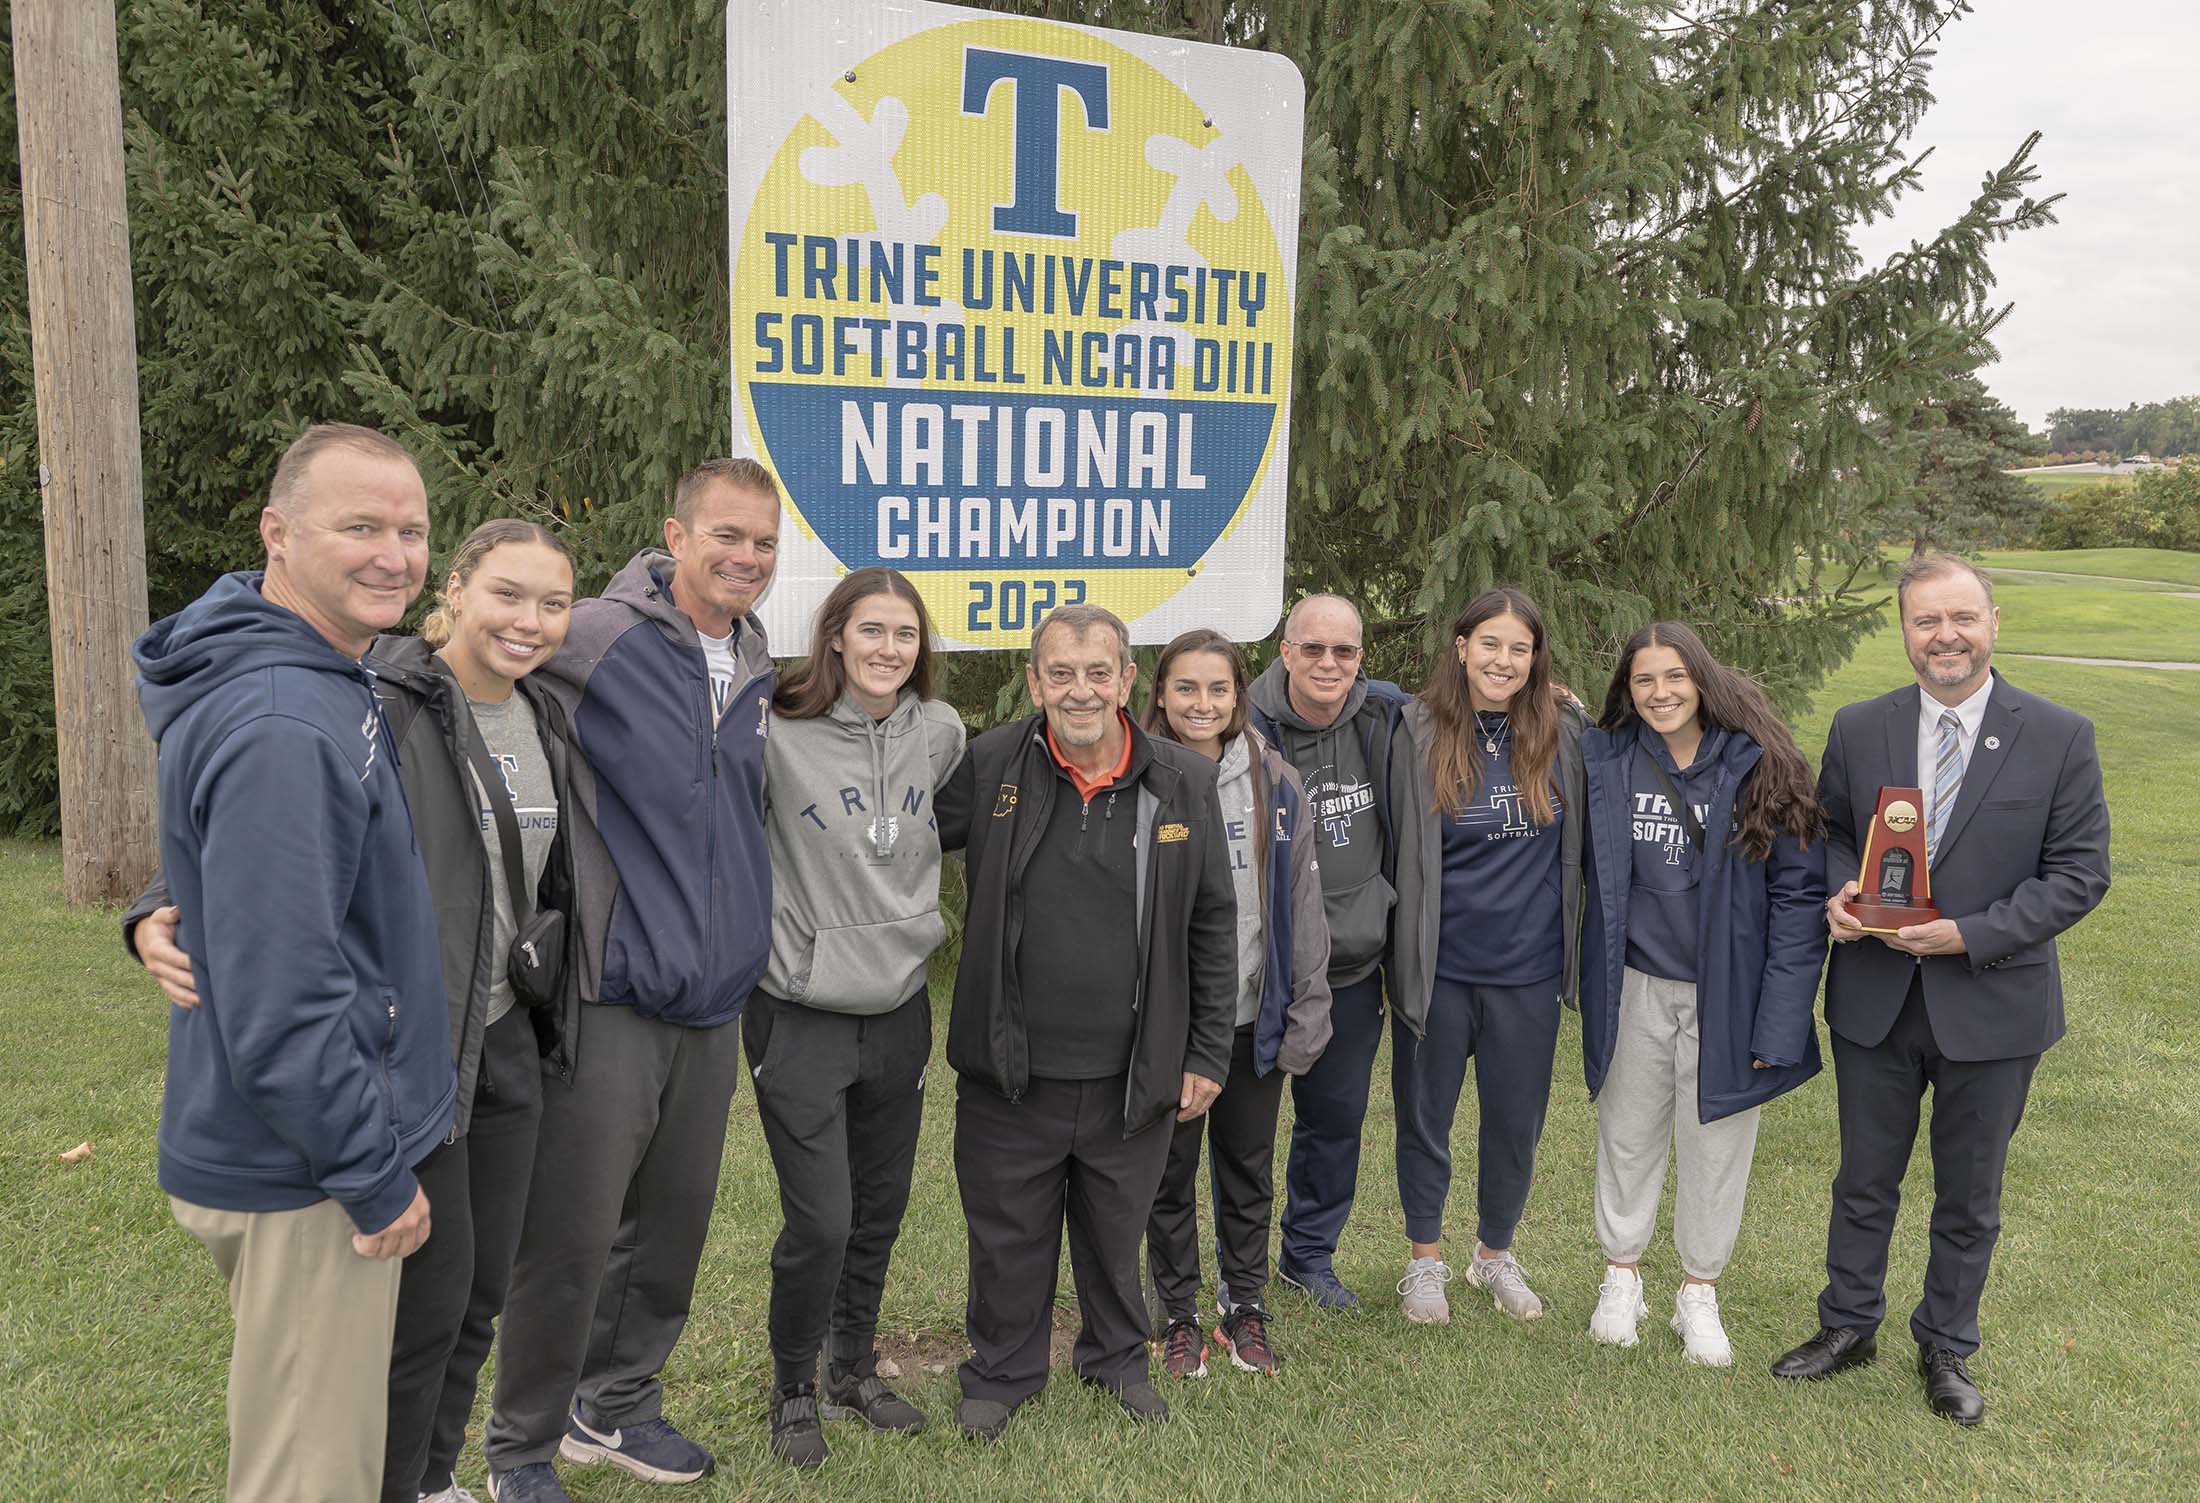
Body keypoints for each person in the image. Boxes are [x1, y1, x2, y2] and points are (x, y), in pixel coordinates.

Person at [129, 519, 582, 1503]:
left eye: (554, 603)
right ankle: (385, 1478)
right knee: (424, 1303)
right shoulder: (378, 694)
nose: (530, 620)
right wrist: (154, 908)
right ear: (454, 590)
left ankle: (432, 1475)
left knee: (477, 1293)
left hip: (508, 1029)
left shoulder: (551, 711)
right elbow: (264, 826)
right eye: (507, 593)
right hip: (417, 1040)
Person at [129, 422, 452, 1502]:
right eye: (359, 525)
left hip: (292, 1145)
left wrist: (166, 902)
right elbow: (283, 1002)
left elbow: (257, 874)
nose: (393, 554)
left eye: (409, 530)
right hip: (307, 1169)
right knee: (306, 1476)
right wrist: (368, 1175)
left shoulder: (313, 668)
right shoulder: (284, 715)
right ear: (278, 531)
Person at [485, 459, 780, 1503]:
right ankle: (520, 1445)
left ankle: (614, 1407)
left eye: (763, 543)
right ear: (675, 534)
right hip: (613, 985)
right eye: (727, 536)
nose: (746, 558)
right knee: (571, 1232)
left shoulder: (751, 654)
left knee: (672, 1225)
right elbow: (455, 678)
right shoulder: (596, 637)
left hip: (712, 996)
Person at [1773, 553, 2110, 1425]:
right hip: (1876, 997)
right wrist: (1841, 891)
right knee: (1864, 1177)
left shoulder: (2060, 734)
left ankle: (1947, 1342)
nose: (1945, 636)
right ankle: (1849, 1324)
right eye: (1926, 621)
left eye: (1961, 617)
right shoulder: (1859, 725)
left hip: (1993, 1001)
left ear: (1994, 620)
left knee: (1969, 1191)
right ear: (1905, 631)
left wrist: (1971, 932)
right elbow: (1833, 832)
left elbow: (2079, 874)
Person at [934, 604, 1238, 1438]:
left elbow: (1213, 922)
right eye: (1059, 672)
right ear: (1033, 682)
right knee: (1007, 1234)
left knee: (1116, 1231)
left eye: (1097, 671)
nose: (1079, 690)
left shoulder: (1184, 781)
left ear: (1126, 680)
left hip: (1133, 1068)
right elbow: (901, 846)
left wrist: (1207, 1048)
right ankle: (1000, 1372)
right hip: (1010, 1066)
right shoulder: (993, 762)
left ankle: (1115, 1358)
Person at [748, 568, 965, 1468]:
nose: (887, 649)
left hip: (900, 1006)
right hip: (799, 1007)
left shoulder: (942, 732)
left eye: (904, 635)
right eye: (870, 630)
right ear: (834, 635)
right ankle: (793, 1384)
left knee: (878, 1208)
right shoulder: (776, 729)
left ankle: (852, 1366)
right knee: (822, 1219)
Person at [1578, 622, 1828, 1366]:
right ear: (1627, 689)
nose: (1660, 693)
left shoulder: (1759, 764)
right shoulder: (1609, 758)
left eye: (1674, 677)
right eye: (1644, 679)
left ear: (1703, 680)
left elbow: (1797, 899)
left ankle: (1699, 1290)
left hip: (1729, 993)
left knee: (1717, 1144)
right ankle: (1621, 1277)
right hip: (1634, 984)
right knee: (1626, 1135)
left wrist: (1779, 1024)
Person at [1386, 587, 1585, 1325]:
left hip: (1527, 971)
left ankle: (1494, 1254)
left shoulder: (1563, 731)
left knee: (1515, 1121)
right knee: (1425, 1115)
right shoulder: (1413, 728)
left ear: (1537, 660)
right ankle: (1425, 1261)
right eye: (1490, 643)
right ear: (1461, 644)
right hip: (1438, 968)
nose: (1503, 660)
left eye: (1520, 648)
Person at [1141, 629, 1334, 1379]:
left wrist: (1306, 1004)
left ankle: (1244, 1305)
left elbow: (1303, 904)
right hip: (1169, 1025)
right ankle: (1179, 1311)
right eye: (1186, 688)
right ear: (1159, 692)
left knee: (1248, 1167)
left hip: (1253, 1016)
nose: (1202, 702)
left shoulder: (1275, 780)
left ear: (1238, 696)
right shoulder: (1141, 776)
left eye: (1218, 689)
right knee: (1168, 1171)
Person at [1246, 594, 1409, 1310]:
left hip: (1350, 968)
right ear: (1285, 651)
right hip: (1260, 970)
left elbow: (1477, 699)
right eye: (1313, 648)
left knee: (1334, 1123)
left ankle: (1308, 1256)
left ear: (1360, 659)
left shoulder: (1385, 715)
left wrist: (1547, 695)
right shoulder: (1240, 722)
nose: (1328, 663)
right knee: (1240, 1130)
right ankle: (1234, 1261)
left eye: (1344, 651)